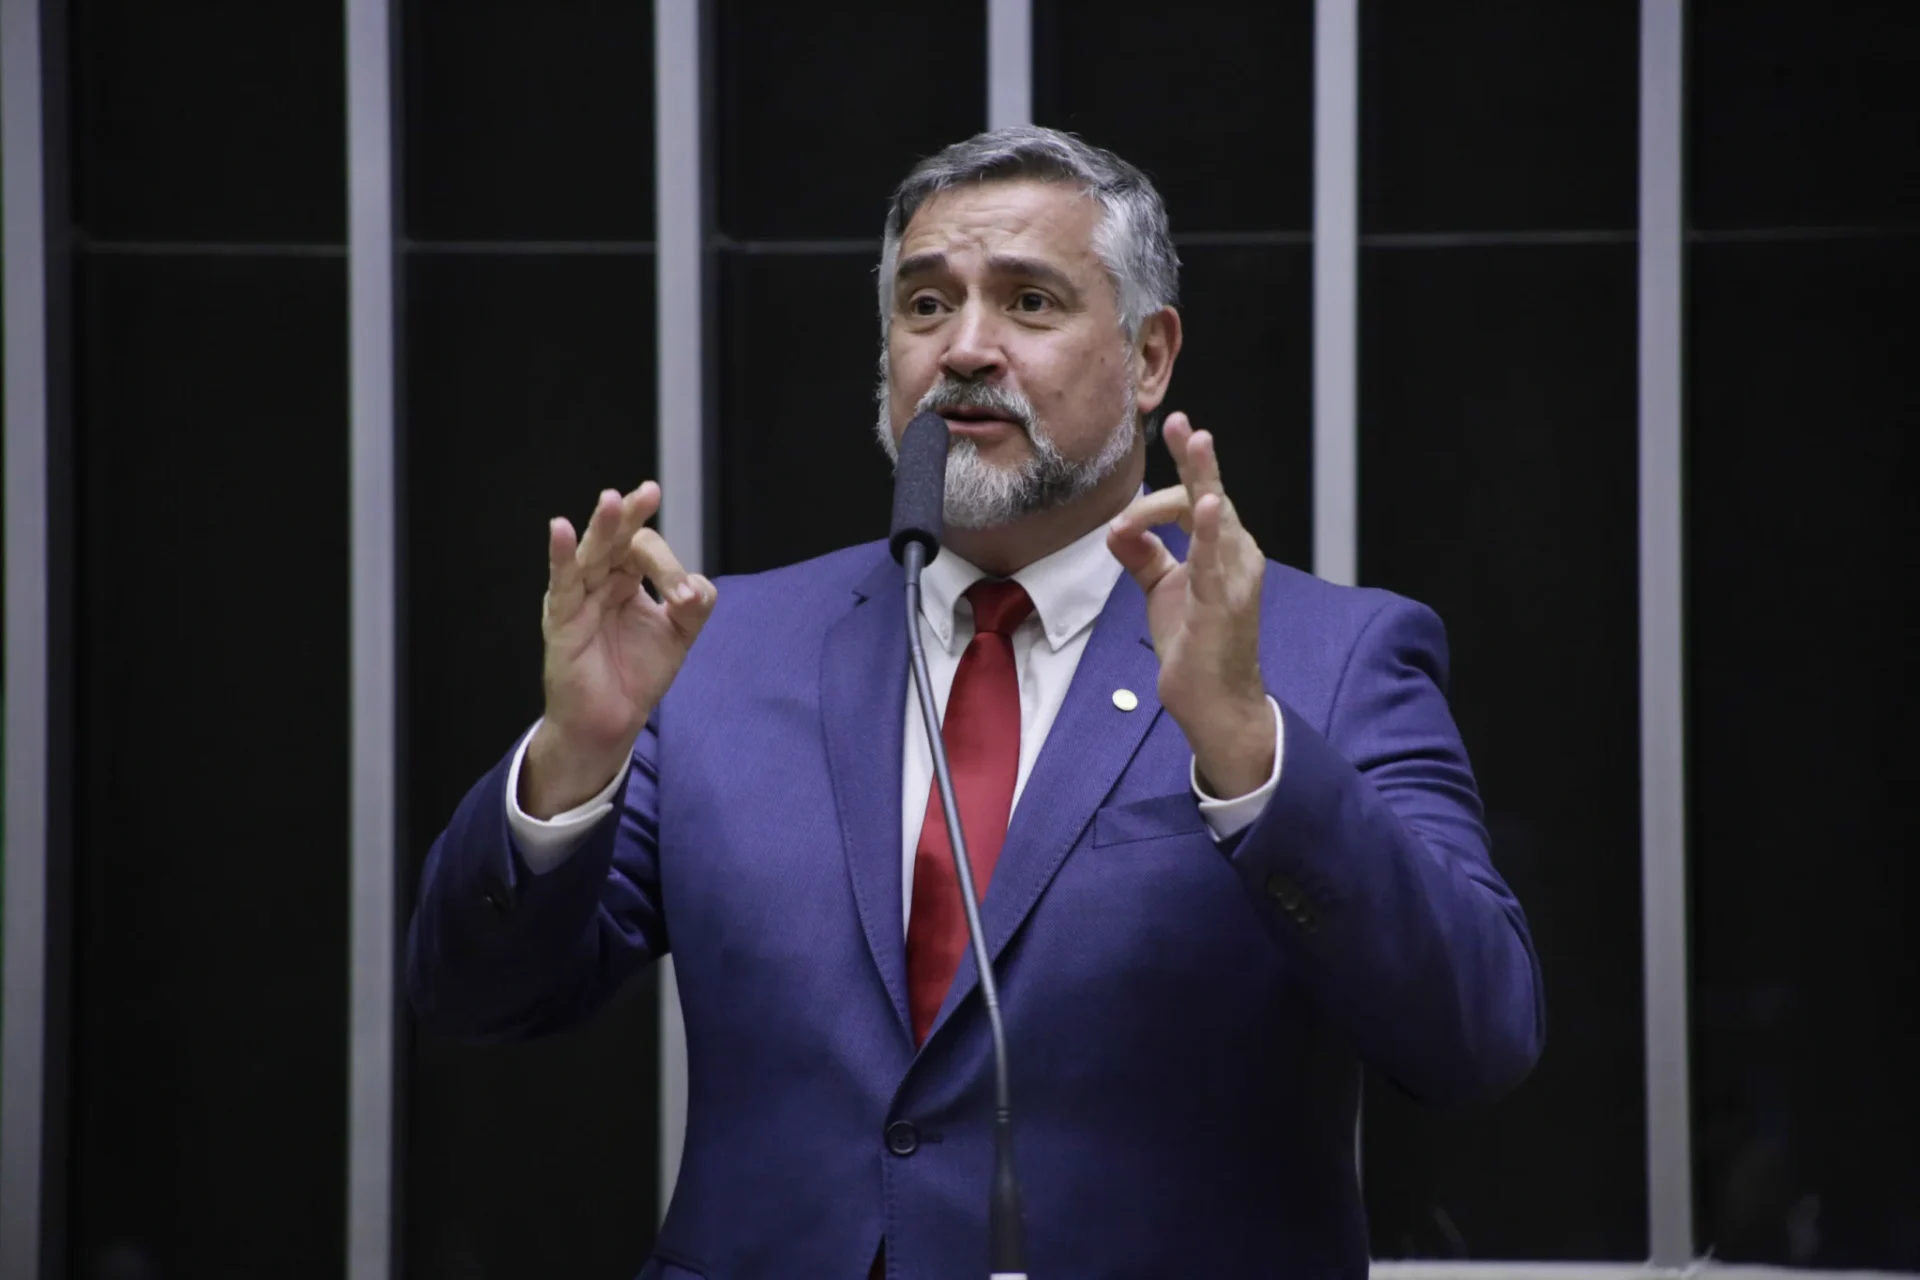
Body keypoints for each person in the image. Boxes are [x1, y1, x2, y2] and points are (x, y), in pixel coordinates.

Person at [407, 126, 1544, 1280]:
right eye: (924, 305)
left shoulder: (1328, 655)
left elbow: (1477, 1036)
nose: (963, 348)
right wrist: (574, 756)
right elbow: (476, 996)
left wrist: (1250, 751)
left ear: (1150, 356)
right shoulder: (715, 646)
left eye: (1030, 301)